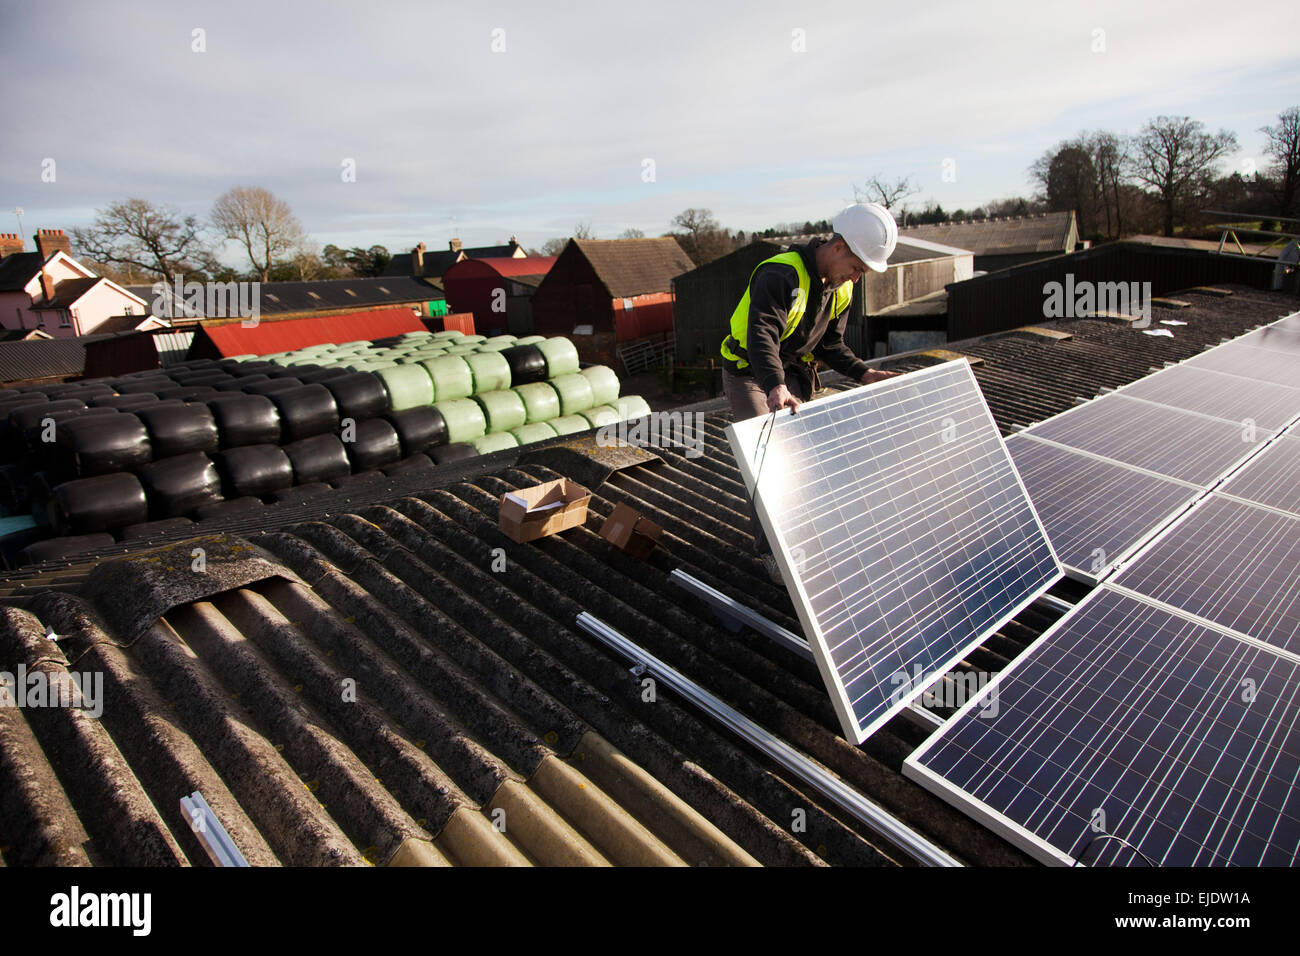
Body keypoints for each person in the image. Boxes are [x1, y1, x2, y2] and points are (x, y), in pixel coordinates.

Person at [720, 202, 900, 579]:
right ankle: (771, 552)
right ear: (838, 248)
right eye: (856, 267)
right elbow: (761, 336)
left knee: (804, 457)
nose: (857, 278)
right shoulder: (780, 273)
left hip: (792, 373)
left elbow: (830, 345)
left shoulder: (840, 289)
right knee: (764, 458)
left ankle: (805, 534)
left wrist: (863, 374)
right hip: (751, 373)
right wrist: (775, 386)